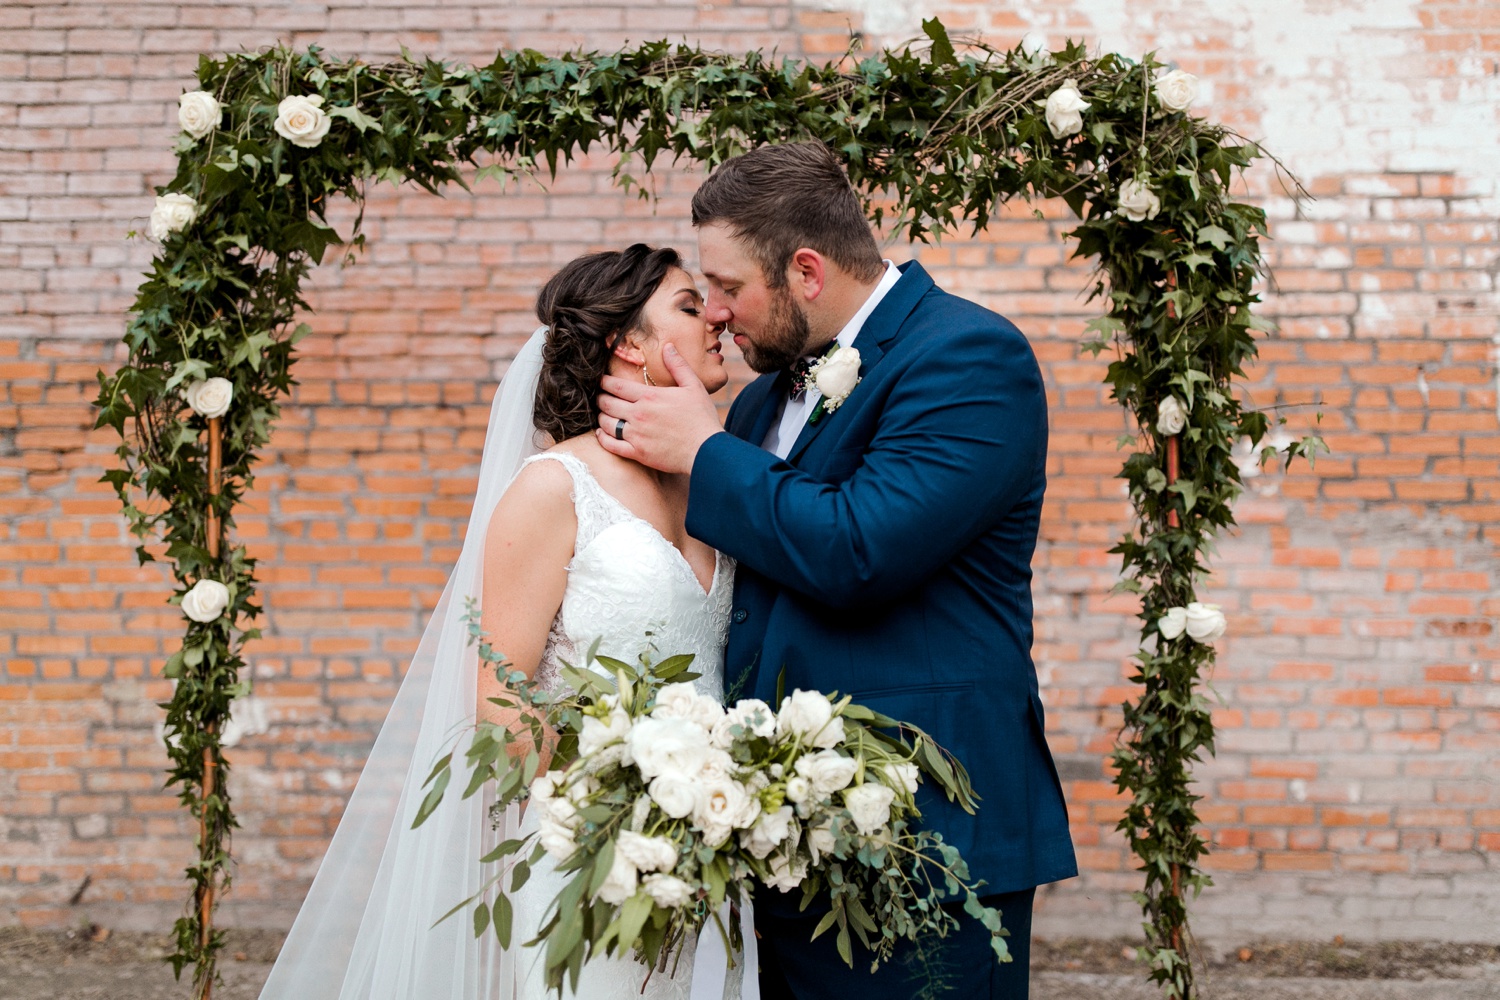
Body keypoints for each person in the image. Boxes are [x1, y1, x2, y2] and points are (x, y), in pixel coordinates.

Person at [595, 142, 1077, 1000]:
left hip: (925, 837)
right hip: (773, 846)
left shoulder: (969, 357)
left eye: (729, 287)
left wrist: (703, 453)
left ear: (807, 272)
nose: (717, 314)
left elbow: (861, 549)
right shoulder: (756, 401)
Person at [258, 244, 745, 1000]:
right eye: (689, 305)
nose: (716, 316)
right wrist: (618, 811)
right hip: (599, 864)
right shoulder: (555, 488)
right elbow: (501, 700)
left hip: (717, 853)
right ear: (626, 343)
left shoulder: (715, 480)